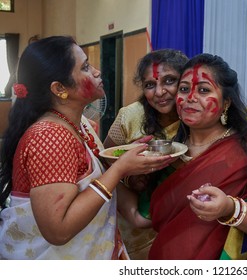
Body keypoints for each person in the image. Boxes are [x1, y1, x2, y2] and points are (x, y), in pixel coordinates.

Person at [105, 49, 247, 259]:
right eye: (184, 89)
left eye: (203, 90)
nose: (190, 98)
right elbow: (140, 218)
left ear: (226, 102)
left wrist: (229, 208)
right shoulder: (170, 153)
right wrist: (119, 170)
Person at [0, 36, 173, 260]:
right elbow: (58, 231)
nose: (97, 71)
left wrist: (123, 159)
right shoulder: (49, 137)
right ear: (59, 88)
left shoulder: (78, 124)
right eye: (85, 67)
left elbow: (87, 181)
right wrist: (119, 169)